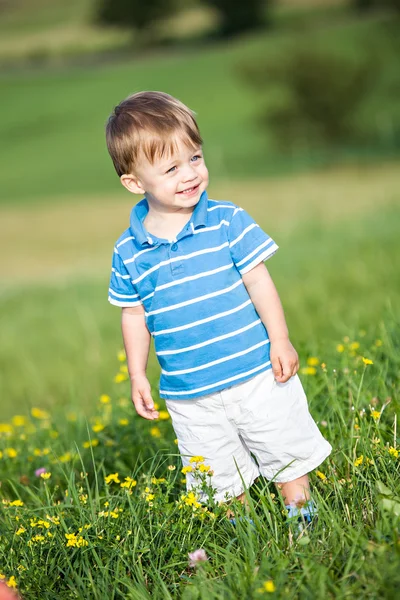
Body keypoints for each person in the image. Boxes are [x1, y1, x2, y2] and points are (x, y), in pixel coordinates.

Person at [106, 91, 332, 526]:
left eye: (194, 158)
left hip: (255, 372)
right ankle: (244, 537)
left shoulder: (227, 220)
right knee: (218, 476)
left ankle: (302, 521)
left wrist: (279, 340)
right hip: (190, 393)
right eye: (171, 168)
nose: (190, 174)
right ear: (135, 183)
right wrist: (137, 372)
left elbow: (258, 281)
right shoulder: (129, 250)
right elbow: (133, 314)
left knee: (283, 446)